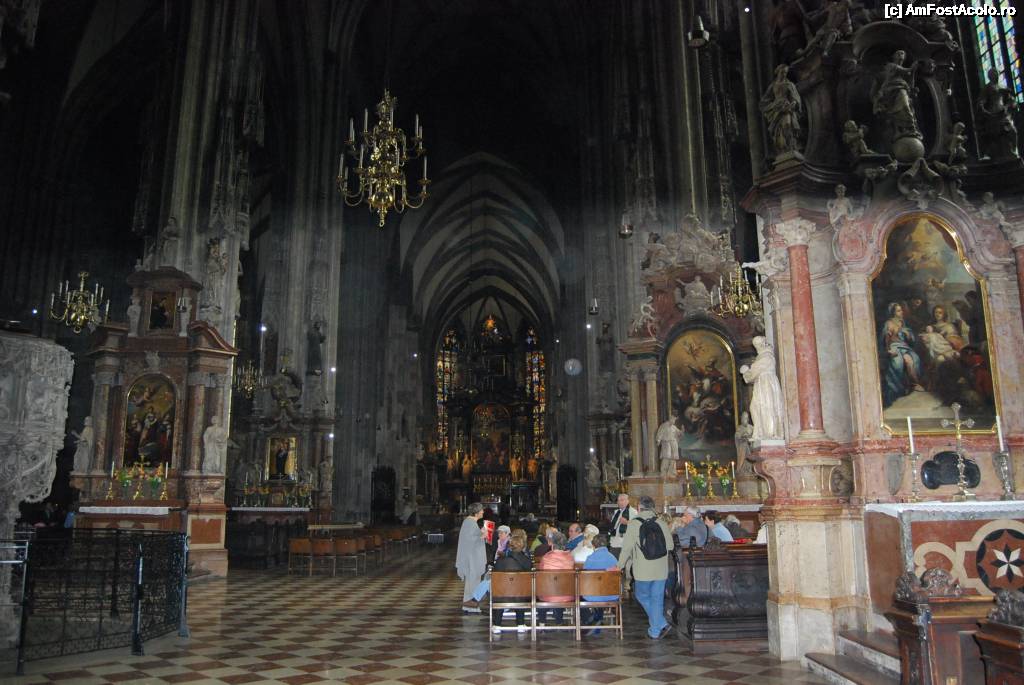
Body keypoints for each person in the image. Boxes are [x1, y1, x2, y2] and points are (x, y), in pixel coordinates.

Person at [617, 495, 674, 639]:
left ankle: (660, 625)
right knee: (657, 599)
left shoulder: (634, 524)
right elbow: (670, 546)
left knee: (641, 595)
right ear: (653, 507)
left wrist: (619, 566)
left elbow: (627, 549)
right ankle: (656, 629)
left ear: (639, 508)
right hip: (661, 569)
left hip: (643, 569)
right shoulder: (661, 522)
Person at [490, 535, 533, 634]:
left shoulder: (500, 560)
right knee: (520, 589)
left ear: (510, 545)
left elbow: (495, 576)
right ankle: (520, 624)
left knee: (502, 589)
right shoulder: (526, 561)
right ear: (523, 546)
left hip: (501, 595)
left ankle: (497, 625)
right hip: (521, 596)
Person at [581, 534, 620, 634]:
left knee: (582, 595)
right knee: (602, 589)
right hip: (612, 594)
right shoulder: (613, 558)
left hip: (593, 595)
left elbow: (584, 577)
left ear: (593, 545)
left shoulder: (590, 558)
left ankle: (590, 621)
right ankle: (597, 618)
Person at [537, 530, 574, 625]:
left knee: (545, 591)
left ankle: (542, 622)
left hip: (549, 594)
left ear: (552, 543)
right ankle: (559, 620)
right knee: (560, 588)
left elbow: (541, 574)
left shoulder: (546, 558)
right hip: (567, 594)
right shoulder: (570, 558)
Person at [456, 503, 487, 613]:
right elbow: (470, 541)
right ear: (476, 512)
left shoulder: (471, 522)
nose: (483, 512)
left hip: (473, 558)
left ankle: (469, 606)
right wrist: (482, 536)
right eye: (481, 510)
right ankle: (471, 607)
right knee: (472, 582)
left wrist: (481, 533)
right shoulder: (469, 522)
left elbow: (473, 537)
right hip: (471, 559)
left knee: (473, 582)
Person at [608, 493, 637, 558]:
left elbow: (636, 525)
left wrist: (627, 522)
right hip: (614, 541)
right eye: (618, 500)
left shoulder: (633, 512)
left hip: (625, 542)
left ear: (627, 501)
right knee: (614, 561)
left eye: (622, 500)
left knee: (624, 562)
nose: (619, 502)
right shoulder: (617, 512)